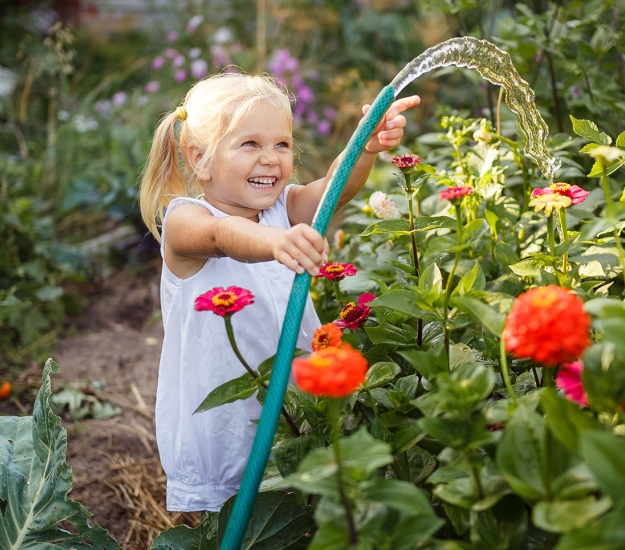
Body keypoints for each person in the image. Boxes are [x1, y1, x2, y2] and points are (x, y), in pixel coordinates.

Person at [138, 71, 419, 512]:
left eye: (281, 144)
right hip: (223, 423)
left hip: (294, 408)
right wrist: (274, 243)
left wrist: (364, 148)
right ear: (200, 160)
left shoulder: (281, 209)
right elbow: (219, 235)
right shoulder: (185, 219)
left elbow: (332, 191)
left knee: (297, 511)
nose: (270, 158)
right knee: (237, 521)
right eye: (250, 144)